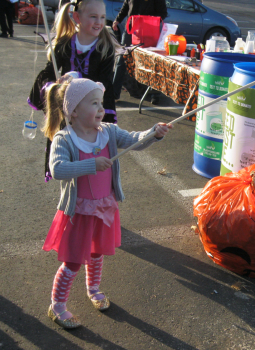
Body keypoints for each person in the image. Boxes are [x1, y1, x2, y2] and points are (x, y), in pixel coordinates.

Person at [42, 75, 171, 329]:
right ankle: (57, 306)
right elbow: (57, 169)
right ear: (74, 112)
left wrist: (153, 133)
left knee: (97, 251)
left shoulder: (108, 132)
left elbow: (135, 140)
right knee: (73, 261)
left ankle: (94, 289)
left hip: (104, 207)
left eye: (101, 103)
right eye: (94, 104)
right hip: (79, 211)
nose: (101, 109)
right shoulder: (64, 139)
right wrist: (90, 164)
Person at [29, 0, 119, 182]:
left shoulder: (105, 47)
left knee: (90, 151)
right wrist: (52, 86)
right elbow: (48, 72)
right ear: (77, 17)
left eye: (102, 17)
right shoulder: (64, 43)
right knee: (68, 153)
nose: (99, 22)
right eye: (93, 16)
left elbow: (105, 82)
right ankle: (71, 190)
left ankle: (91, 185)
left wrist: (77, 79)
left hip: (91, 110)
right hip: (67, 110)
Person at [111, 0, 167, 102]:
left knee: (151, 61)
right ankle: (114, 93)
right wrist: (118, 20)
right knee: (122, 59)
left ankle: (154, 94)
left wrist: (147, 20)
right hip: (131, 30)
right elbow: (126, 6)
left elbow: (163, 13)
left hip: (149, 30)